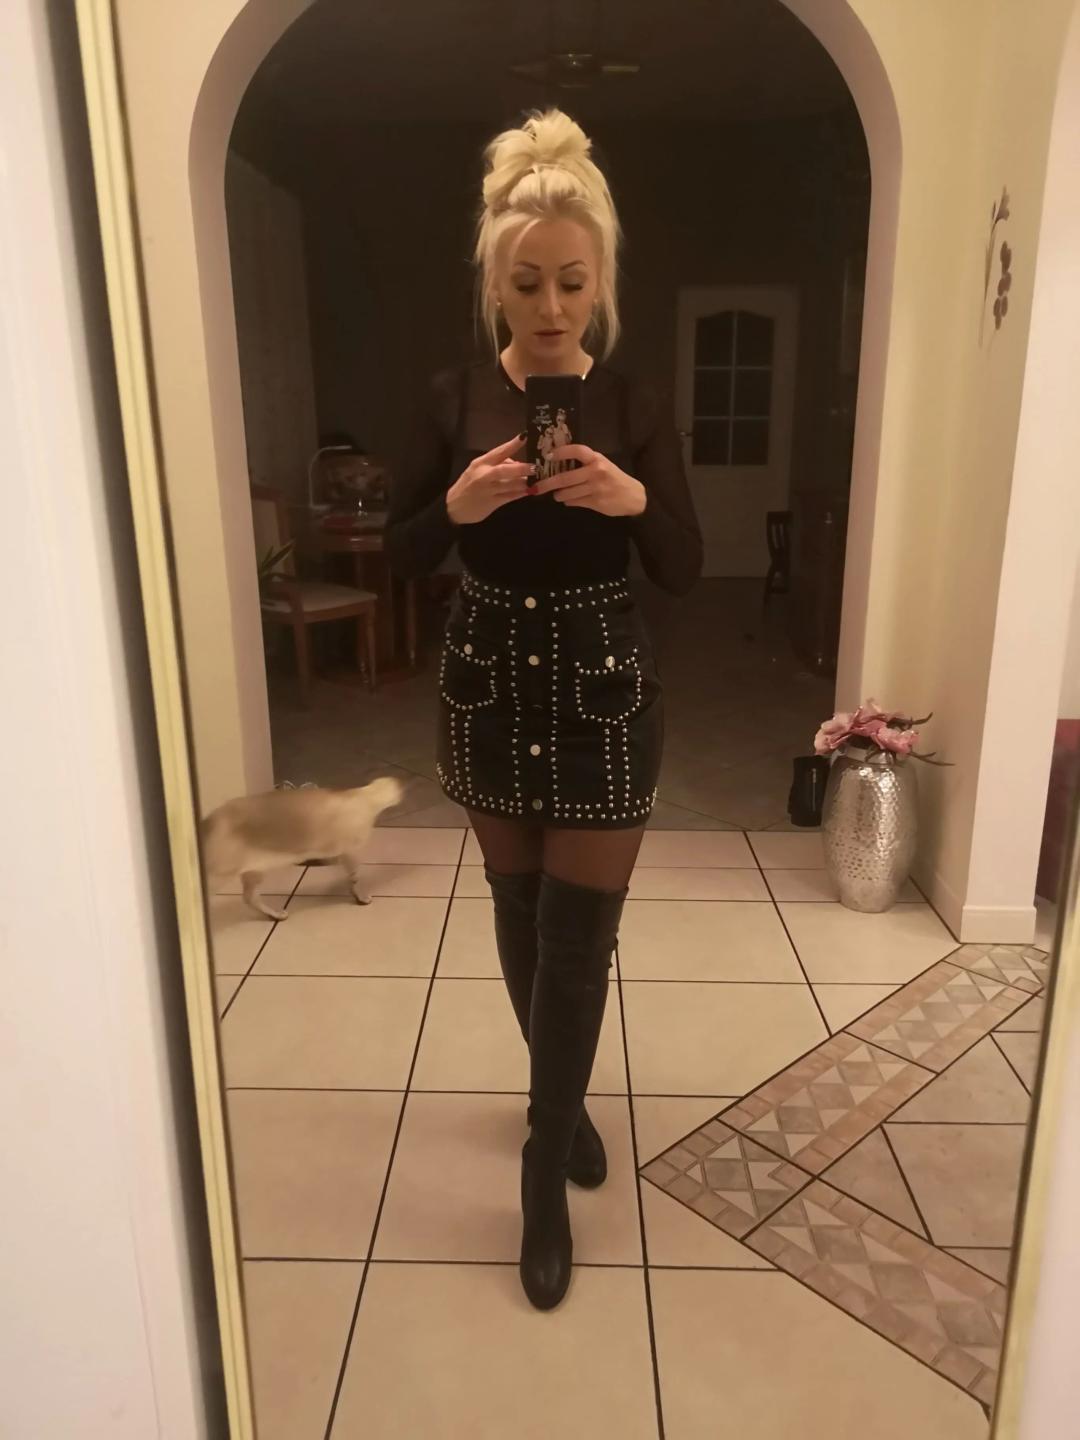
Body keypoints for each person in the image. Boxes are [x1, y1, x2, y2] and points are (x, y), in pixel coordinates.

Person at [386, 108, 702, 1310]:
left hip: (602, 688)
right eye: (527, 285)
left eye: (572, 282)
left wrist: (630, 500)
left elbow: (684, 566)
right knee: (520, 917)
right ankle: (561, 1107)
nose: (552, 307)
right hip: (486, 677)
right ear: (494, 287)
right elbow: (402, 551)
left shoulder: (632, 405)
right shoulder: (450, 398)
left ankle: (540, 1168)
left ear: (601, 280)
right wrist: (457, 510)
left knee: (580, 939)